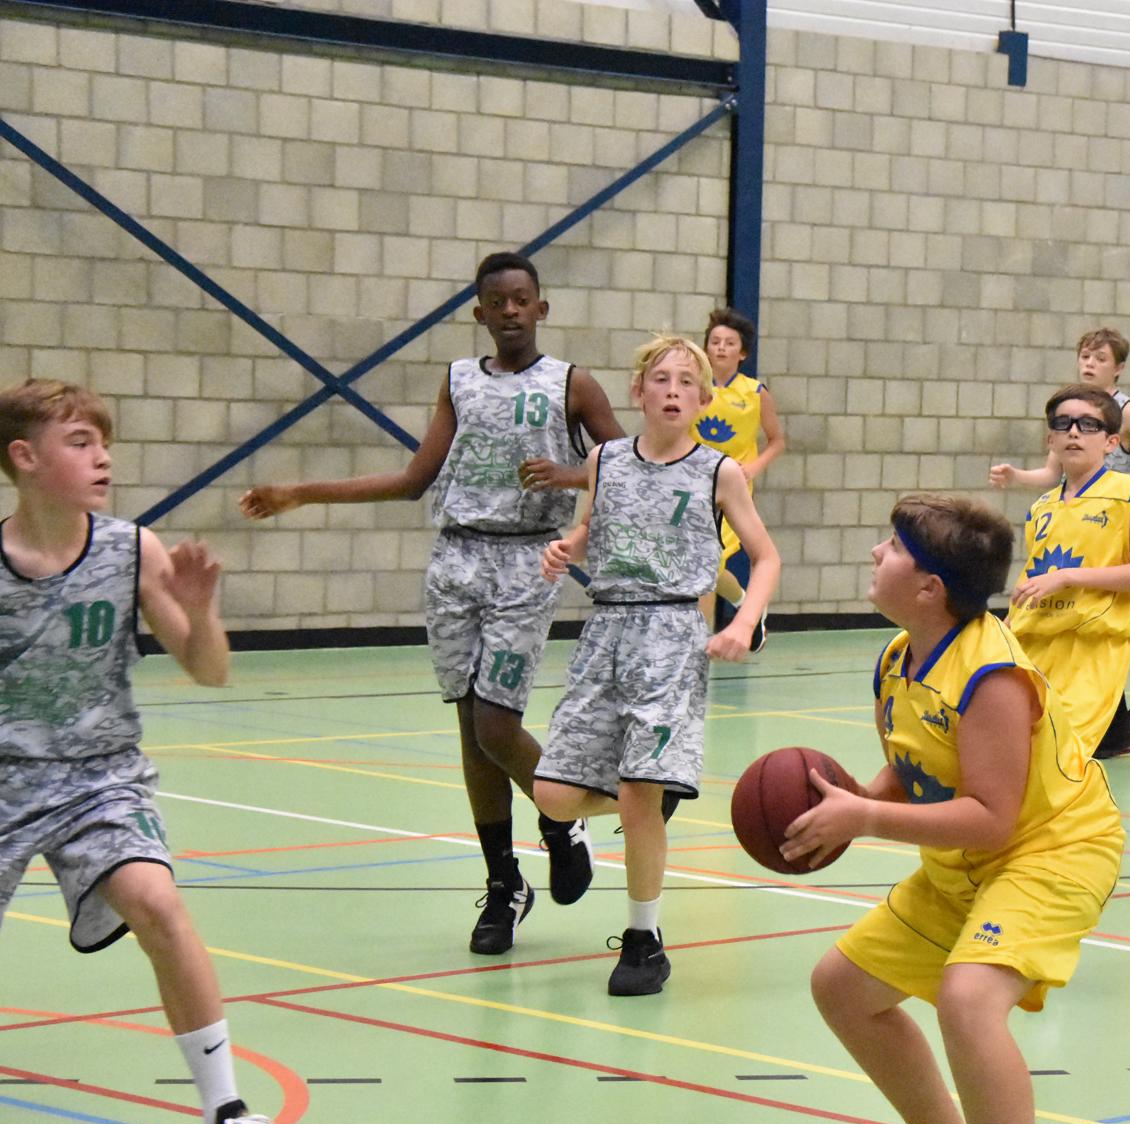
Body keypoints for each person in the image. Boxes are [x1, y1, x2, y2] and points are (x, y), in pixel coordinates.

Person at [782, 493, 1124, 1124]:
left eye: (892, 546)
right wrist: (854, 802)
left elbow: (992, 813)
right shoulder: (900, 656)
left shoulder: (992, 674)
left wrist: (865, 818)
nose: (875, 553)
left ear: (930, 586)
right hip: (967, 862)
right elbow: (915, 764)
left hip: (1052, 850)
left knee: (969, 1000)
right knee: (843, 986)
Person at [240, 251, 624, 953]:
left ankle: (562, 815)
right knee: (472, 728)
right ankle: (503, 884)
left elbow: (629, 469)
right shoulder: (457, 381)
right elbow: (414, 478)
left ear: (542, 308)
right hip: (456, 559)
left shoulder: (572, 383)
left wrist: (571, 475)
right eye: (497, 302)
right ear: (480, 314)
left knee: (497, 725)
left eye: (522, 299)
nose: (510, 310)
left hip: (526, 560)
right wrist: (301, 492)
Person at [1, 379, 304, 1124]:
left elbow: (210, 670)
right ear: (24, 458)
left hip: (98, 777)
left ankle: (227, 1120)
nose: (102, 457)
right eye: (79, 442)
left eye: (104, 442)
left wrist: (200, 613)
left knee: (159, 902)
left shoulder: (132, 549)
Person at [531, 333, 778, 996]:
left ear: (703, 400)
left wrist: (743, 622)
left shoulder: (718, 471)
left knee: (642, 793)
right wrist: (567, 547)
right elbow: (594, 528)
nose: (673, 390)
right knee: (552, 792)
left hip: (673, 634)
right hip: (605, 630)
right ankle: (585, 823)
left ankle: (644, 939)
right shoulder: (605, 460)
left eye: (687, 382)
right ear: (638, 391)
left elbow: (766, 557)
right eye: (662, 379)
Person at [990, 328, 1130, 757]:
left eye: (1087, 425)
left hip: (1094, 636)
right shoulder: (1043, 507)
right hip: (1044, 636)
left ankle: (1109, 732)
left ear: (1110, 441)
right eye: (1063, 425)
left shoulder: (1128, 489)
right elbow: (1038, 572)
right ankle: (1116, 732)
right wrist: (1010, 622)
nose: (1074, 432)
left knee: (1057, 752)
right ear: (1051, 439)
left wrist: (1070, 575)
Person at [695, 306, 788, 651]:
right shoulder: (692, 387)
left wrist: (754, 467)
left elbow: (777, 441)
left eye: (729, 343)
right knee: (701, 563)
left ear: (742, 353)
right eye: (715, 341)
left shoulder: (755, 392)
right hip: (693, 484)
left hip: (732, 489)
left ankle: (699, 639)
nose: (720, 347)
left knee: (709, 561)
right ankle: (746, 602)